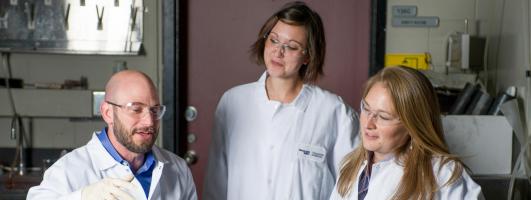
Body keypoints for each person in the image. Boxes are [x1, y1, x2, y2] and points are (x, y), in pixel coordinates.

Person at [203, 2, 359, 200]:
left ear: (308, 56)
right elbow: (216, 184)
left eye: (292, 47)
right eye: (274, 40)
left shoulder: (334, 111)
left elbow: (351, 187)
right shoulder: (233, 102)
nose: (278, 52)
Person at [27, 70, 197, 200]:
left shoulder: (177, 169)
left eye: (154, 110)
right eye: (136, 109)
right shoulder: (69, 169)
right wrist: (83, 197)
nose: (149, 122)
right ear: (108, 113)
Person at [329, 66, 483, 200]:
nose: (368, 124)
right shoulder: (350, 166)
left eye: (383, 117)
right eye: (366, 108)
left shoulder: (442, 174)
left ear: (412, 125)